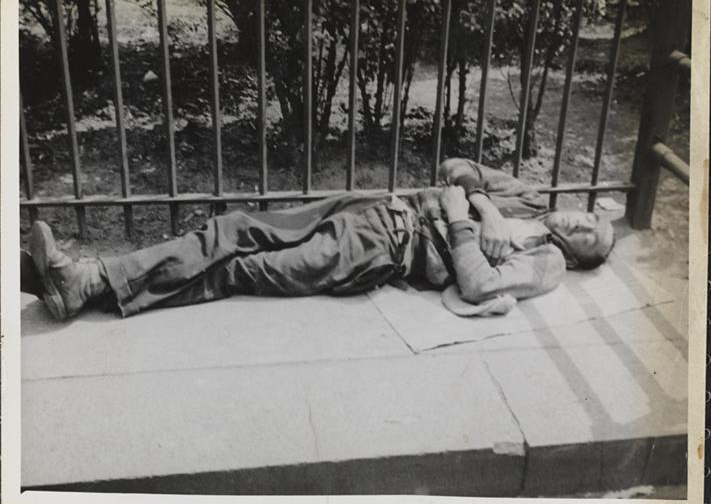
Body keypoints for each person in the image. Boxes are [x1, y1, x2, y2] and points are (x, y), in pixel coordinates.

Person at [22, 158, 615, 321]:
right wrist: (484, 207)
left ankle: (88, 282)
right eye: (588, 216)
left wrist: (459, 223)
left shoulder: (544, 262)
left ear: (581, 258)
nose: (580, 224)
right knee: (235, 228)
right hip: (370, 208)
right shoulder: (528, 198)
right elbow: (457, 166)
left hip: (383, 250)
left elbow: (481, 284)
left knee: (242, 270)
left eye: (590, 236)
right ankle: (85, 282)